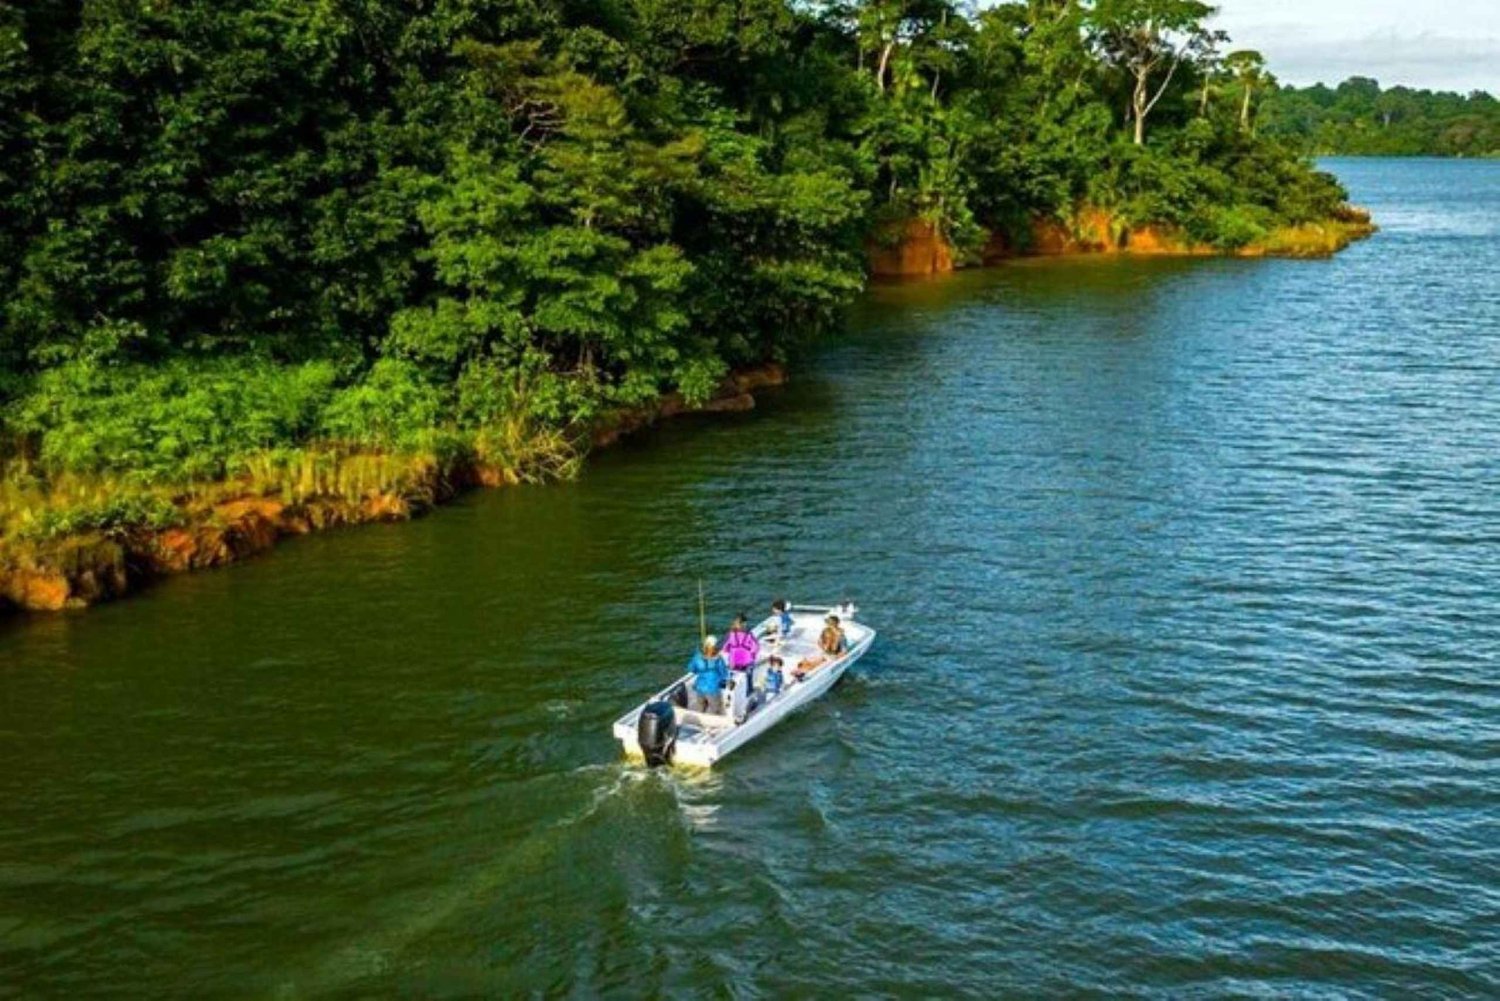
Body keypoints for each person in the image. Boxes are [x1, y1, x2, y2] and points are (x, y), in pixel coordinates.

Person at [795, 614, 849, 679]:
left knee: (816, 664)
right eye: (828, 623)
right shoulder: (826, 631)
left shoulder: (840, 636)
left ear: (835, 624)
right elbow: (819, 641)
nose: (828, 625)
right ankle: (800, 671)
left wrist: (836, 658)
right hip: (824, 652)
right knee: (804, 661)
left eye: (830, 623)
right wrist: (823, 649)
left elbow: (844, 650)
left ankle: (804, 674)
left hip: (833, 655)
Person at [686, 635, 728, 715]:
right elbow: (724, 673)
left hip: (700, 687)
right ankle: (714, 724)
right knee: (715, 709)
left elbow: (691, 669)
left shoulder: (697, 657)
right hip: (713, 689)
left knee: (700, 707)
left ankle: (699, 723)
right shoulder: (718, 659)